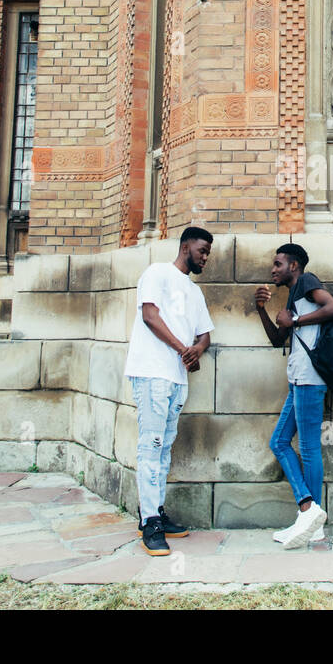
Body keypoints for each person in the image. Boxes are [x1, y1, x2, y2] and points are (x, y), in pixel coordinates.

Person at [124, 227, 215, 555]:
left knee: (164, 449)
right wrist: (183, 349)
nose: (205, 257)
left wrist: (197, 350)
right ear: (186, 245)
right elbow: (150, 316)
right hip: (151, 373)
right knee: (151, 446)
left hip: (177, 379)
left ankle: (156, 511)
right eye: (202, 250)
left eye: (208, 253)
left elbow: (205, 334)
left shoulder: (194, 292)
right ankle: (149, 522)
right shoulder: (157, 273)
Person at [253, 243, 333, 548]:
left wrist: (297, 321)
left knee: (309, 448)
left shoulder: (307, 281)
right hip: (297, 380)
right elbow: (279, 339)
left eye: (278, 264)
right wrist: (261, 310)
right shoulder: (293, 294)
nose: (273, 269)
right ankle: (308, 511)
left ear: (294, 266)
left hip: (310, 380)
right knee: (278, 442)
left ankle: (312, 522)